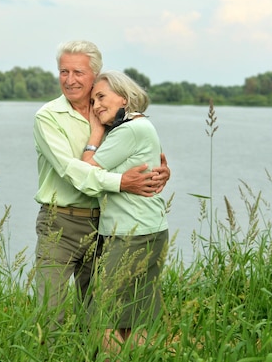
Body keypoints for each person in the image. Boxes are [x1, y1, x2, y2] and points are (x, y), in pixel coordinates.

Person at [32, 40, 170, 330]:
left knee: (99, 312)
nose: (70, 80)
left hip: (105, 227)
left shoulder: (112, 116)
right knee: (50, 310)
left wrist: (158, 173)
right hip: (60, 223)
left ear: (94, 75)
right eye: (63, 72)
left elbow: (136, 155)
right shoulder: (47, 117)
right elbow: (73, 171)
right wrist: (123, 183)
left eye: (78, 72)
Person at [69, 70, 169, 357]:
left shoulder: (128, 130)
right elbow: (158, 163)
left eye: (101, 97)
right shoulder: (143, 126)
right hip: (149, 229)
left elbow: (87, 170)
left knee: (103, 315)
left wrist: (96, 133)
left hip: (129, 233)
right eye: (93, 100)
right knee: (133, 316)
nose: (96, 106)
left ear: (124, 98)